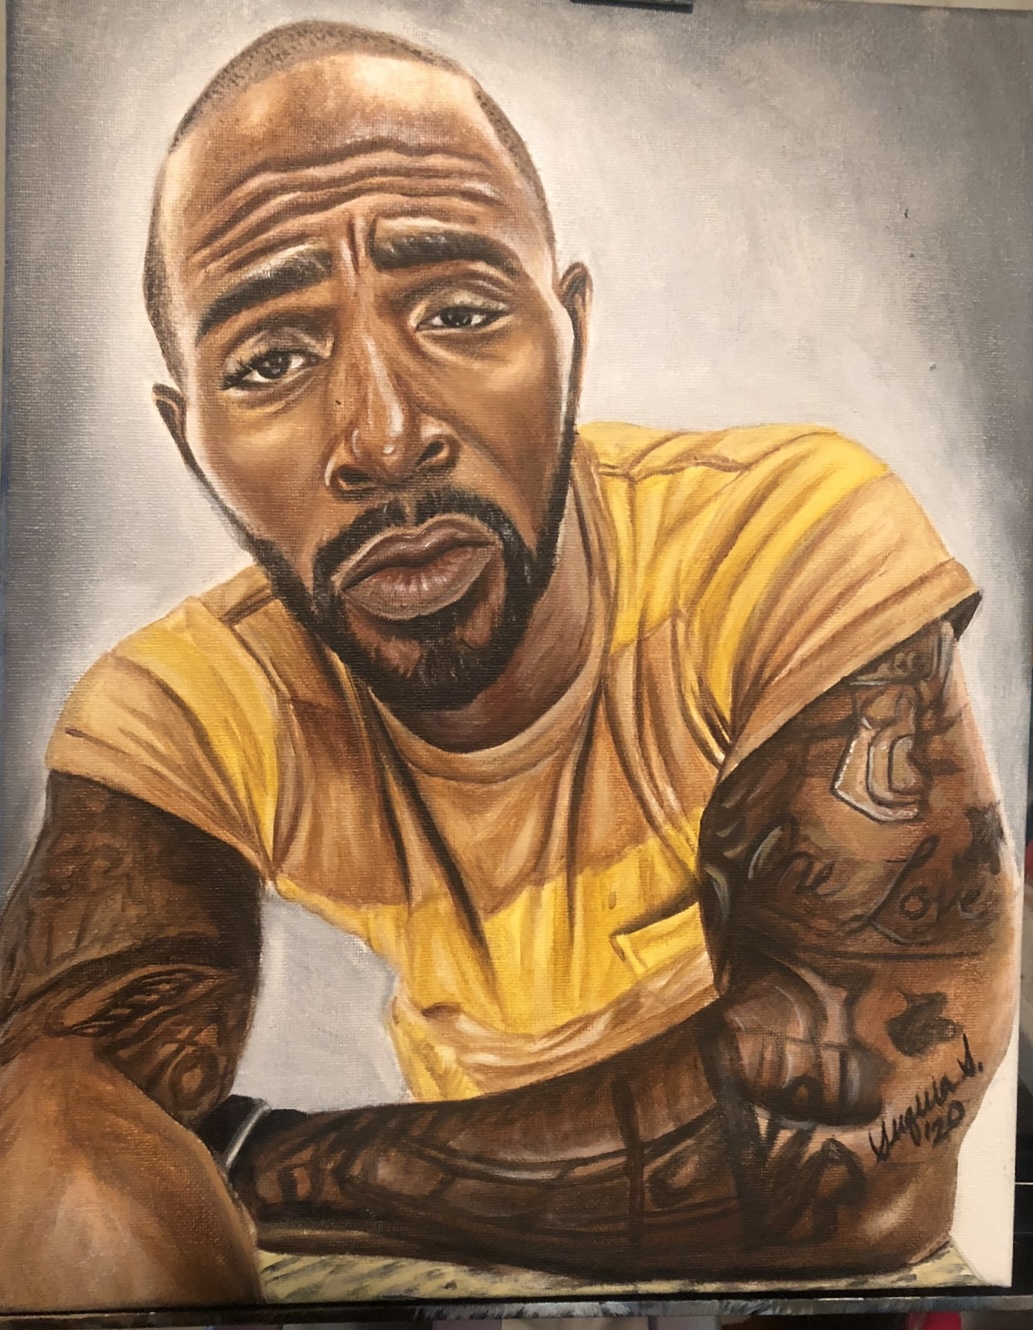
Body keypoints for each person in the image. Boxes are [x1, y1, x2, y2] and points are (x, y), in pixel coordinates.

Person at [0, 19, 1017, 1310]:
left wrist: (256, 1160)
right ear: (189, 436)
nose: (384, 436)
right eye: (269, 362)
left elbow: (854, 1155)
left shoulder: (782, 543)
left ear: (570, 333)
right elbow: (43, 1121)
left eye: (461, 312)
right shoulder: (190, 704)